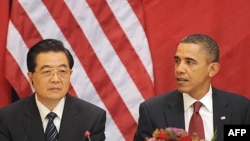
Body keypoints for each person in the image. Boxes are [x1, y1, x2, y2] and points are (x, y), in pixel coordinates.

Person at [133, 34, 250, 141]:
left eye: (189, 62)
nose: (179, 69)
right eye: (177, 61)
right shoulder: (152, 111)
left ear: (212, 69)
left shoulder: (240, 110)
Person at [0, 39, 106, 141]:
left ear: (70, 74)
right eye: (47, 71)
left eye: (62, 71)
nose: (55, 79)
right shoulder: (7, 118)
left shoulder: (92, 118)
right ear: (31, 77)